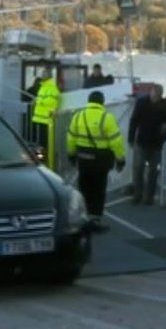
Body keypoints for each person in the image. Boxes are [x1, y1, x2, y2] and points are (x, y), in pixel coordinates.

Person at [67, 91, 126, 230]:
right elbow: (116, 142)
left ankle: (83, 217)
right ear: (102, 102)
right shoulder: (107, 118)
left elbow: (71, 138)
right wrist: (120, 159)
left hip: (82, 158)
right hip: (101, 160)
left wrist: (71, 155)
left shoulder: (78, 116)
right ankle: (95, 219)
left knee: (84, 188)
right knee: (98, 190)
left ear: (89, 101)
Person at [127, 84, 166, 204]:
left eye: (158, 95)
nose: (156, 97)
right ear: (151, 92)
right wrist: (131, 138)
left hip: (157, 142)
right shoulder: (142, 103)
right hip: (142, 140)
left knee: (153, 170)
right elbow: (134, 121)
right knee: (138, 168)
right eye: (154, 94)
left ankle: (149, 197)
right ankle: (138, 194)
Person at [30, 68, 61, 153]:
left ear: (50, 76)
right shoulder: (43, 87)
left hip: (46, 119)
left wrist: (38, 101)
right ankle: (41, 154)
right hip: (40, 118)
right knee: (40, 141)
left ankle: (45, 158)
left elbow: (52, 101)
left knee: (45, 142)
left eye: (45, 74)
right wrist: (36, 100)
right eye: (42, 73)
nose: (42, 75)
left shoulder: (52, 88)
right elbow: (42, 98)